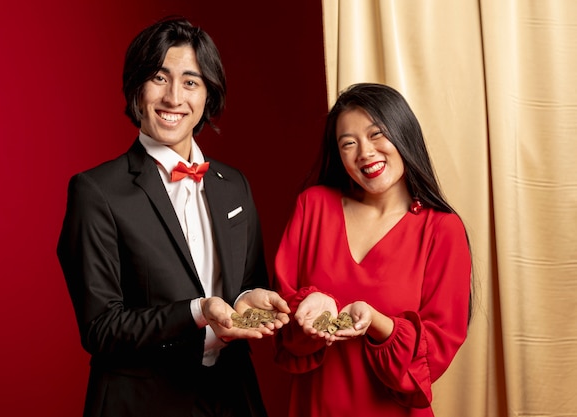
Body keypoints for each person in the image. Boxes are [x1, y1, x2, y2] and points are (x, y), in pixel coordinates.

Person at [56, 16, 290, 417]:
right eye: (159, 78)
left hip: (233, 397)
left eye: (190, 82)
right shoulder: (96, 191)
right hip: (140, 402)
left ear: (207, 94)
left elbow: (246, 285)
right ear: (136, 87)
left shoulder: (234, 185)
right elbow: (101, 328)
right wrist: (199, 312)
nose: (173, 97)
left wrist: (250, 298)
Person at [272, 83, 473, 417]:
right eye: (348, 143)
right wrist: (308, 306)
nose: (364, 152)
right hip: (314, 408)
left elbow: (434, 353)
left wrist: (378, 323)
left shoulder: (442, 229)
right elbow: (282, 327)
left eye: (377, 134)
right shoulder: (313, 206)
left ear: (404, 134)